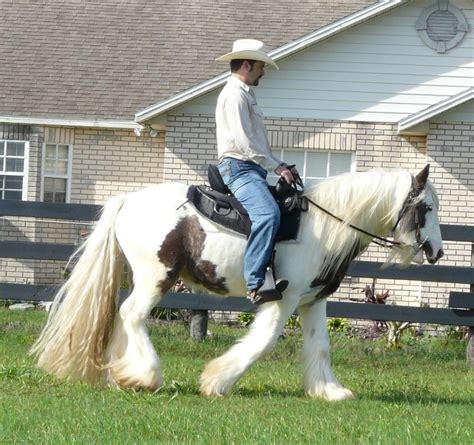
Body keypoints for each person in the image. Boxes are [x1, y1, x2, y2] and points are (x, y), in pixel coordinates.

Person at [215, 39, 299, 305]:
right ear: (248, 65)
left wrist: (281, 164)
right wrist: (275, 166)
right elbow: (244, 142)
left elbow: (258, 144)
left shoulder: (245, 94)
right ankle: (255, 283)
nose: (263, 71)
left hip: (250, 167)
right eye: (261, 66)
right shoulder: (235, 95)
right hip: (239, 168)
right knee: (268, 214)